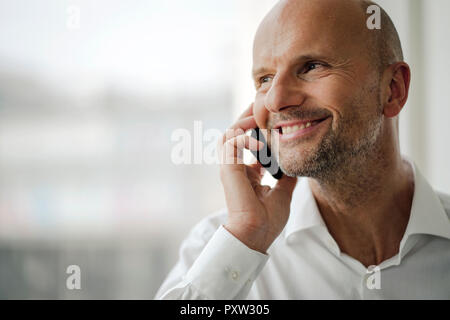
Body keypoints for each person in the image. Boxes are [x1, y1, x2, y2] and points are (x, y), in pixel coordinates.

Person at [156, 0, 450, 299]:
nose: (275, 100)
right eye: (265, 79)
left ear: (393, 89)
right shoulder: (223, 245)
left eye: (311, 66)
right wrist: (247, 237)